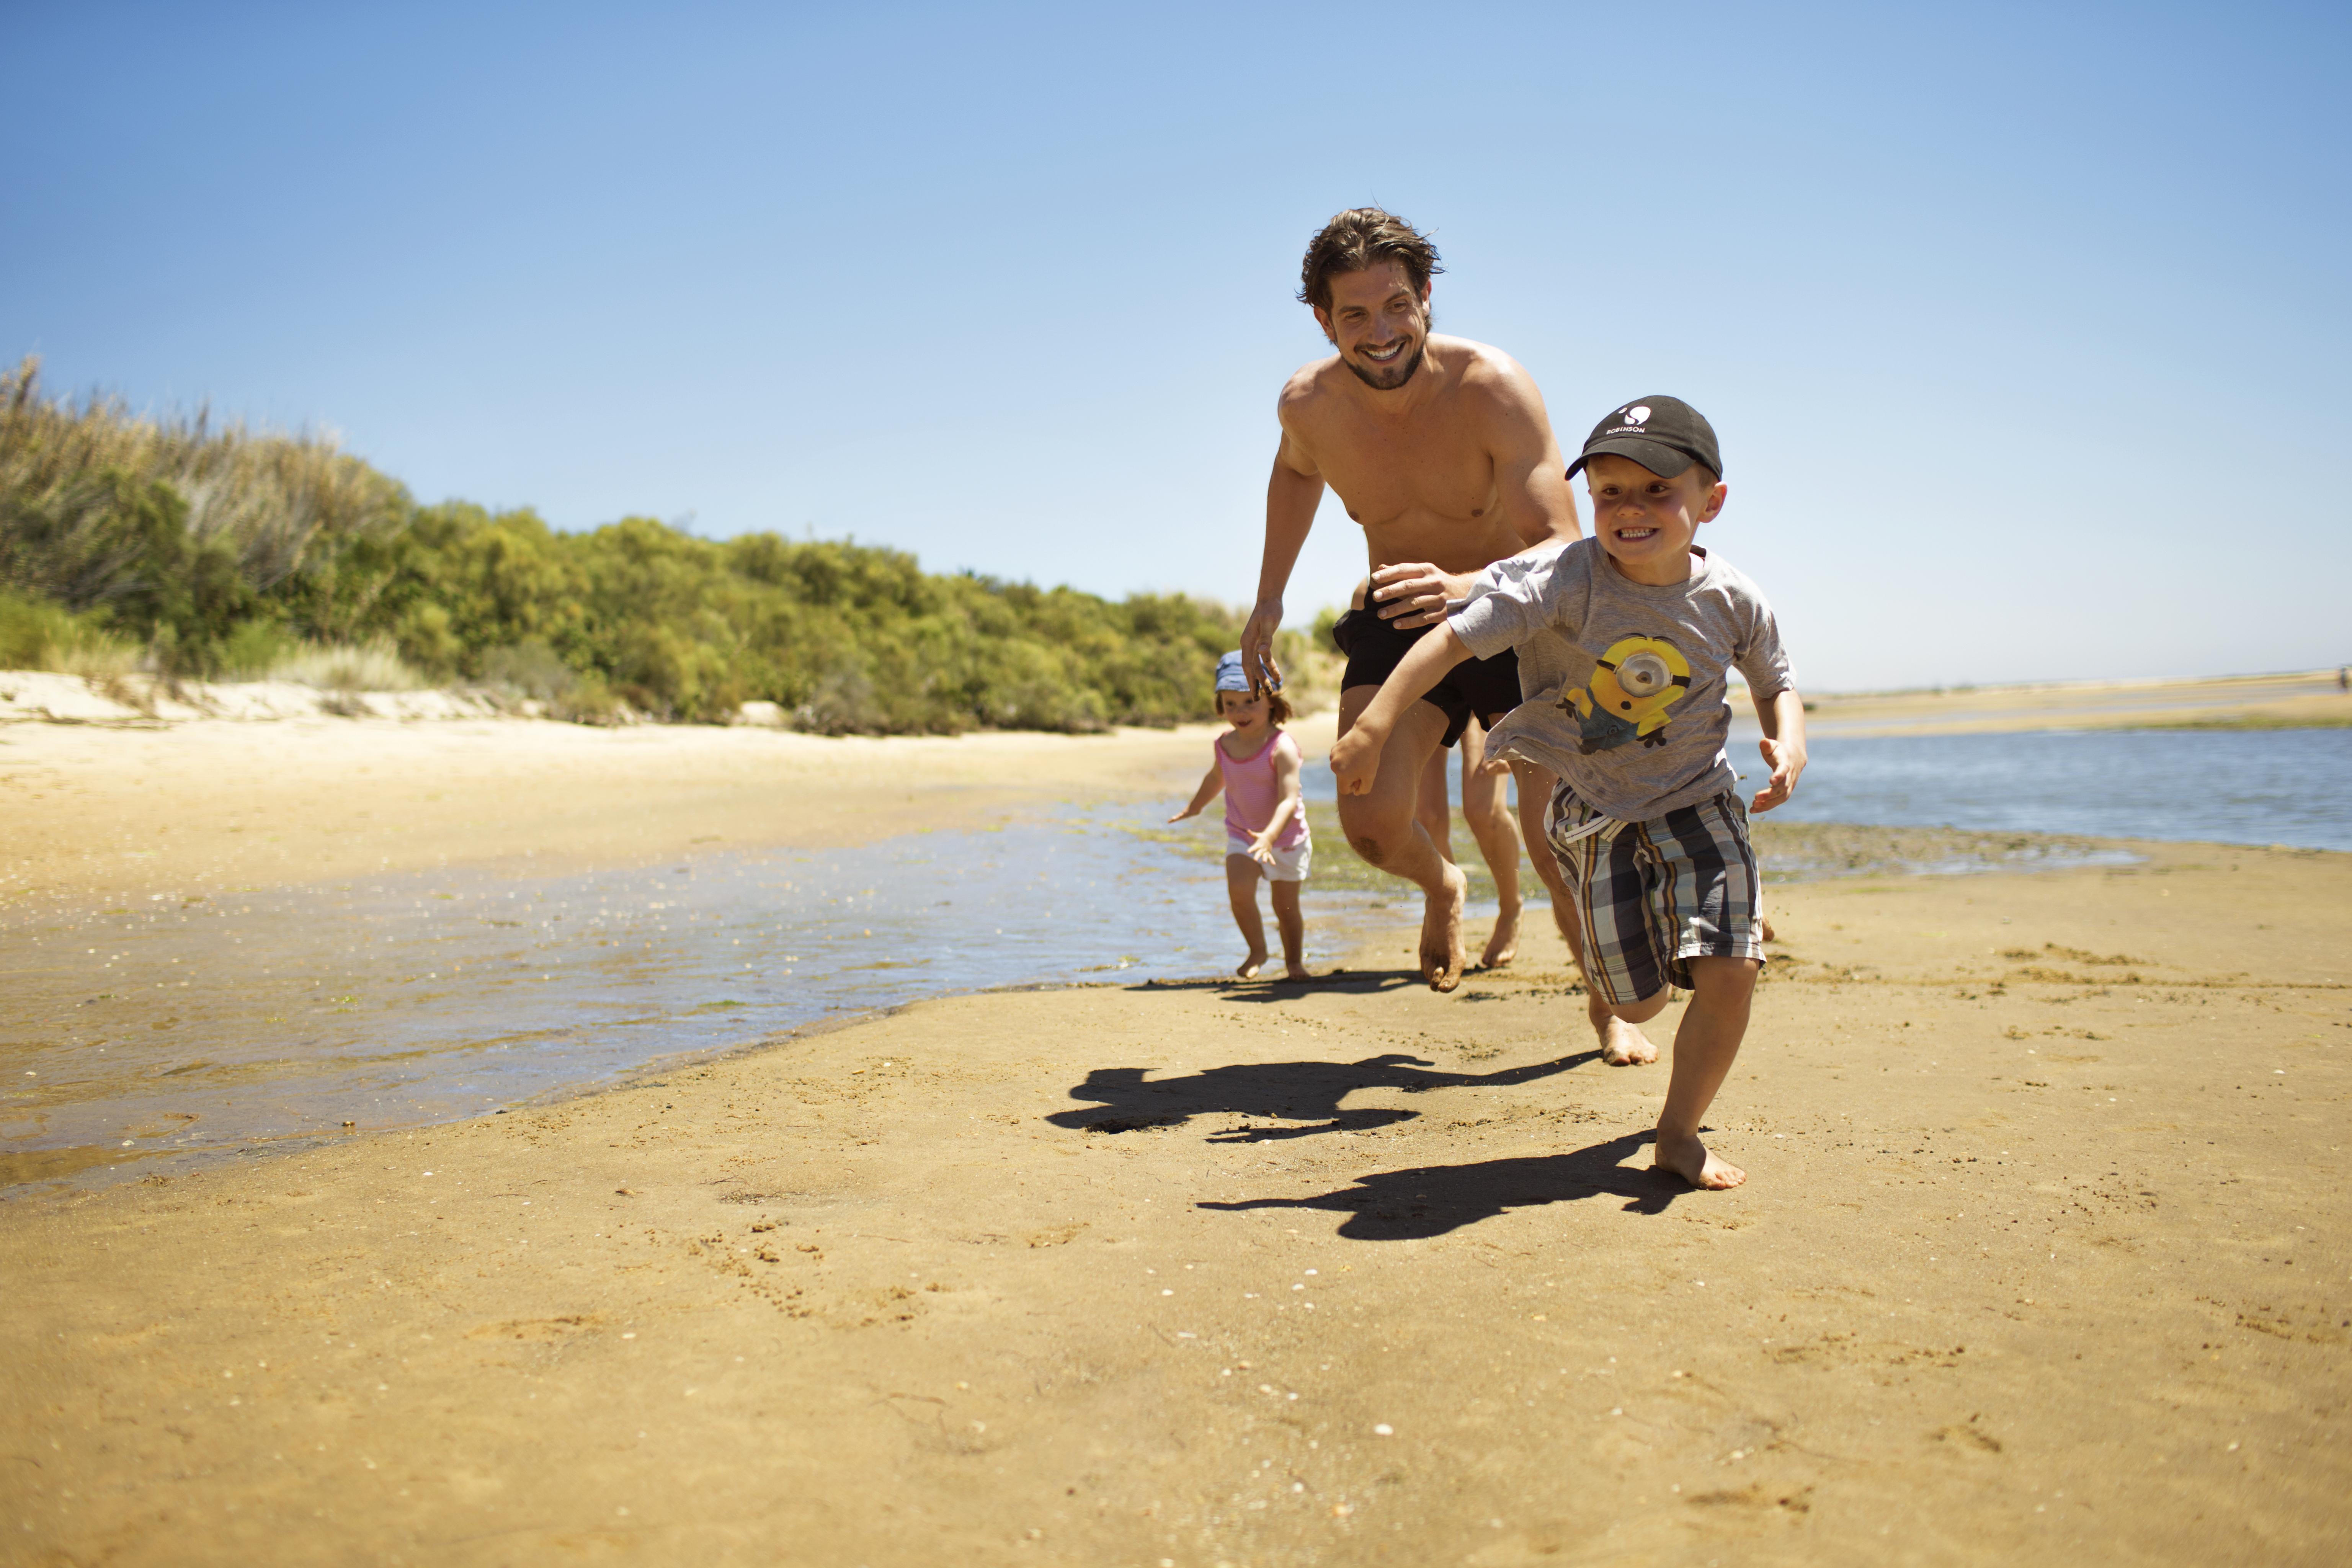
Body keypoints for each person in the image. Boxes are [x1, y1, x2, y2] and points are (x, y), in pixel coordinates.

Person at [1330, 397, 1806, 1189]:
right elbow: (1451, 639)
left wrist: (1788, 744)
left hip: (1699, 798)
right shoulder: (1564, 578)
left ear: (1711, 501)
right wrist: (1376, 722)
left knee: (1731, 969)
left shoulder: (1733, 598)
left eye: (1658, 490)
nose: (1631, 509)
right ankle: (1635, 973)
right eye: (1611, 491)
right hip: (1592, 811)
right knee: (1643, 1003)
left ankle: (1678, 1133)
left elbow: (1775, 680)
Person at [1242, 207, 1602, 1001]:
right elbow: (1296, 472)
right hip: (1403, 616)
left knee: (1552, 841)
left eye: (1396, 305)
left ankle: (1609, 1011)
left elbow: (1562, 545)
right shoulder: (1308, 404)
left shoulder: (1492, 387)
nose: (1380, 332)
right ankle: (1443, 885)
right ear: (1323, 319)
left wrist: (1471, 586)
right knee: (1370, 824)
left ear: (1428, 296)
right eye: (1356, 314)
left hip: (1517, 622)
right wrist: (1269, 597)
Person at [1169, 652, 1312, 981]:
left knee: (1286, 908)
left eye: (1249, 702)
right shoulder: (1224, 745)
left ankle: (1294, 962)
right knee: (1239, 892)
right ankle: (1257, 950)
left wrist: (1271, 837)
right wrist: (1196, 806)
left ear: (1271, 702)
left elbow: (1289, 799)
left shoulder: (1282, 747)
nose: (1240, 712)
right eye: (1230, 704)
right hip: (1242, 835)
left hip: (1286, 840)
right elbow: (1216, 778)